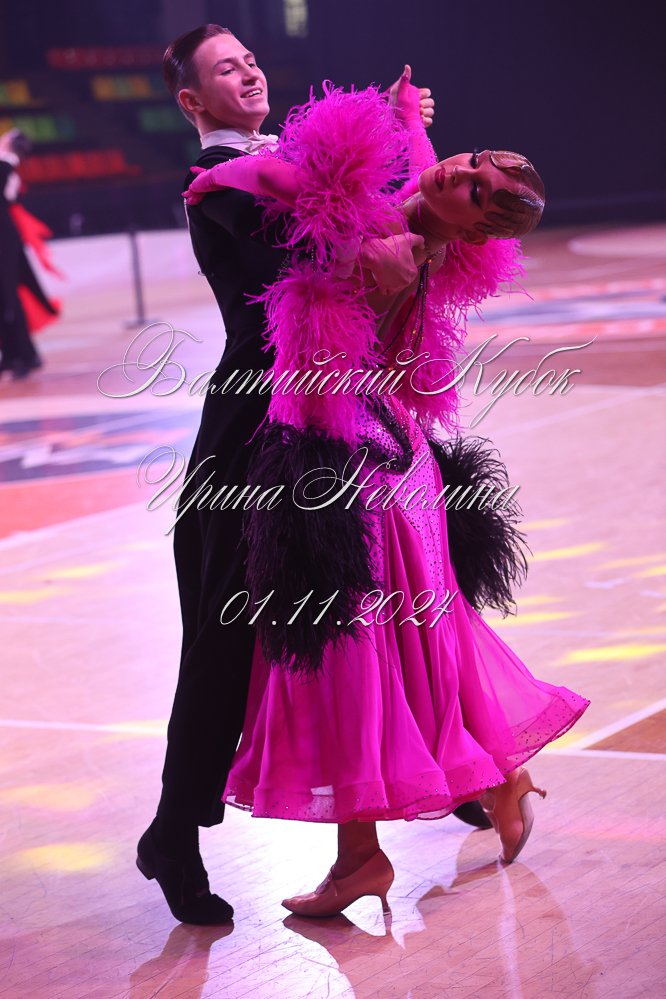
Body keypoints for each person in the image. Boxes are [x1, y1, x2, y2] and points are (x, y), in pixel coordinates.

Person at [182, 80, 590, 917]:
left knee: (349, 656)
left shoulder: (390, 243)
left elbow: (285, 183)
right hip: (382, 458)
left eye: (474, 190)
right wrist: (407, 120)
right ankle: (492, 785)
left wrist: (213, 177)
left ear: (473, 229)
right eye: (471, 163)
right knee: (409, 646)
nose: (456, 175)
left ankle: (365, 857)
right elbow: (422, 176)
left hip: (355, 468)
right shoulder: (417, 219)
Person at [136, 24, 443, 928]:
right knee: (227, 641)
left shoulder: (283, 159)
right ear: (192, 101)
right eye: (224, 69)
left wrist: (403, 134)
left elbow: (368, 226)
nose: (248, 72)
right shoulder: (217, 181)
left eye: (249, 59)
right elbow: (310, 251)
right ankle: (173, 834)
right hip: (253, 436)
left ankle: (458, 777)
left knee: (396, 602)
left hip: (332, 412)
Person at [0, 129, 59, 380]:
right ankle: (16, 355)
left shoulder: (5, 166)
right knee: (6, 298)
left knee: (8, 299)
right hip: (7, 236)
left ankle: (22, 356)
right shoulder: (7, 168)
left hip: (3, 238)